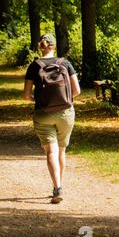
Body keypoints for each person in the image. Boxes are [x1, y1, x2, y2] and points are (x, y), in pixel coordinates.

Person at [22, 34, 81, 204]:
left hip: (43, 114)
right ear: (54, 46)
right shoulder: (65, 63)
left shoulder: (34, 66)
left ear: (40, 46)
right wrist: (63, 100)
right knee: (61, 151)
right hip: (66, 113)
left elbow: (26, 96)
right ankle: (58, 186)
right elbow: (76, 90)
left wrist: (39, 100)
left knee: (51, 151)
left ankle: (57, 188)